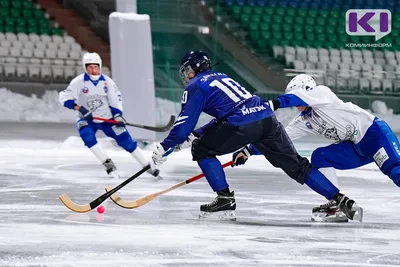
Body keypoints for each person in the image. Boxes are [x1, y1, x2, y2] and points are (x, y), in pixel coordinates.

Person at [150, 50, 362, 221]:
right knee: (298, 166)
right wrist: (193, 135)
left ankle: (224, 199)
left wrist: (166, 145)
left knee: (202, 150)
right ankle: (341, 199)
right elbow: (229, 114)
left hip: (243, 124)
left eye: (186, 70)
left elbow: (185, 121)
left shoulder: (197, 85)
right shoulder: (222, 77)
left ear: (193, 69)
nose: (185, 75)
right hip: (267, 120)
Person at [232, 74, 400, 222]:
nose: (296, 106)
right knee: (320, 156)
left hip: (375, 135)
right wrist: (249, 150)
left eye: (296, 97)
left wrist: (274, 103)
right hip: (355, 147)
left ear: (306, 90)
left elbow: (296, 98)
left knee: (395, 171)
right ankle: (336, 204)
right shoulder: (305, 120)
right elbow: (279, 138)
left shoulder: (323, 93)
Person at [59, 52, 160, 178]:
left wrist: (117, 115)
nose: (93, 70)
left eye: (95, 67)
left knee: (126, 140)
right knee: (87, 136)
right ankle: (107, 163)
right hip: (87, 118)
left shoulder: (108, 82)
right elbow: (64, 97)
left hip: (107, 119)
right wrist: (79, 108)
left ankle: (146, 165)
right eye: (90, 67)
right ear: (85, 68)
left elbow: (115, 100)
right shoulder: (78, 82)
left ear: (100, 66)